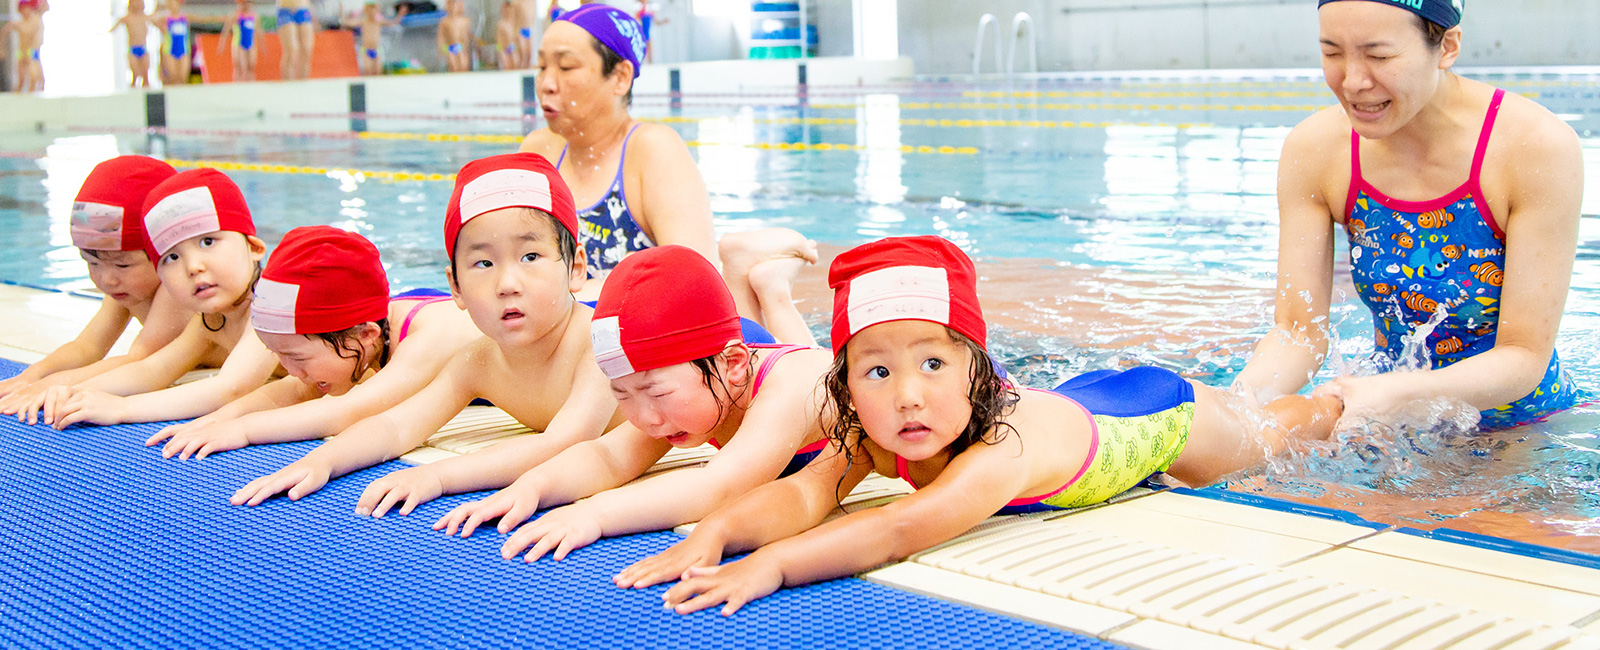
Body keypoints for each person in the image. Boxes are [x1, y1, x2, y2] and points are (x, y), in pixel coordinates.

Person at [614, 235, 1345, 615]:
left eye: (933, 365)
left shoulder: (999, 451)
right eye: (877, 371)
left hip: (1159, 418)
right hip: (1079, 400)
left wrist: (770, 564)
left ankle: (1339, 402)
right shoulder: (872, 429)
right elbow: (808, 495)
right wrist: (716, 535)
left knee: (1269, 438)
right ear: (844, 384)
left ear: (973, 368)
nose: (906, 397)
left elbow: (898, 529)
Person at [1232, 0, 1584, 431]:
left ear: (1448, 46)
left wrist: (1401, 392)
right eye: (1332, 53)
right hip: (1385, 416)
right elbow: (1299, 332)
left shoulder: (1534, 148)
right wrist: (1238, 406)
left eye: (1379, 56)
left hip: (1525, 429)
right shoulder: (1316, 149)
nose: (1353, 81)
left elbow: (1524, 355)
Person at [229, 153, 623, 509]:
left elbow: (563, 442)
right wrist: (323, 461)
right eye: (483, 263)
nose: (507, 283)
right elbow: (397, 426)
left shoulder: (599, 348)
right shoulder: (479, 361)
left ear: (575, 269)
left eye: (530, 256)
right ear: (455, 288)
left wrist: (438, 476)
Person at [425, 244, 833, 564]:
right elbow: (608, 457)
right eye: (622, 395)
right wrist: (532, 487)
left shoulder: (791, 390)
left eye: (655, 393)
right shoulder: (682, 393)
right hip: (726, 356)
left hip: (806, 375)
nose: (645, 419)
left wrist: (595, 515)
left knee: (819, 360)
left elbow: (718, 486)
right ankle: (764, 284)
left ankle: (773, 290)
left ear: (734, 364)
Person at [519, 3, 818, 346]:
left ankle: (762, 287)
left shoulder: (651, 149)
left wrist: (560, 292)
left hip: (652, 331)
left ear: (620, 77)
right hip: (575, 328)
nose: (546, 84)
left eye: (567, 66)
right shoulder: (539, 150)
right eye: (542, 66)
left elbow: (692, 279)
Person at [145, 225, 480, 461]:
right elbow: (294, 390)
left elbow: (351, 410)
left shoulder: (434, 337)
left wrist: (243, 430)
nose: (292, 372)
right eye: (277, 355)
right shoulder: (356, 337)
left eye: (297, 358)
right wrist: (221, 418)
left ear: (366, 335)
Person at [41, 169, 280, 431]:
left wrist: (122, 409)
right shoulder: (211, 319)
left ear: (255, 247)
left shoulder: (273, 302)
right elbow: (153, 370)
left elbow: (230, 388)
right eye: (172, 258)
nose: (193, 266)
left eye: (208, 241)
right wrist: (71, 390)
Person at [0, 157, 190, 423]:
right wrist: (32, 376)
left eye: (123, 265)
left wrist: (58, 385)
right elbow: (87, 347)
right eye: (92, 262)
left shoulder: (178, 289)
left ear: (168, 253)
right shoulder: (125, 289)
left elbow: (140, 360)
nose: (106, 279)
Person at [346, 1, 406, 76]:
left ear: (376, 11)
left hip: (377, 50)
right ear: (367, 12)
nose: (372, 13)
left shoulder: (378, 22)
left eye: (374, 10)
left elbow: (394, 22)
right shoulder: (363, 21)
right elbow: (348, 23)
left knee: (378, 72)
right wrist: (343, 13)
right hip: (366, 50)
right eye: (370, 10)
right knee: (367, 72)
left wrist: (400, 14)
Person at [109, 0, 155, 88]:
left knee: (145, 76)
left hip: (143, 48)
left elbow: (158, 21)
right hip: (133, 49)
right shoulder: (127, 18)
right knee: (136, 74)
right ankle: (132, 94)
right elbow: (113, 28)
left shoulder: (145, 17)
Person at [2, 0, 44, 93]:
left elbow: (36, 40)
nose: (27, 11)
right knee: (21, 78)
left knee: (35, 77)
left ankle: (33, 97)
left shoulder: (36, 21)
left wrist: (30, 54)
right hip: (21, 52)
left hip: (31, 52)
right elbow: (4, 32)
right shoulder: (18, 23)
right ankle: (18, 96)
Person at [149, 0, 191, 85]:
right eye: (170, 4)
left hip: (183, 50)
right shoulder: (166, 18)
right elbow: (151, 18)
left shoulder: (185, 17)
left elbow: (202, 19)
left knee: (182, 78)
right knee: (173, 77)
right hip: (170, 51)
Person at [217, 0, 258, 81]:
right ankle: (237, 87)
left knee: (251, 66)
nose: (246, 6)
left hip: (250, 43)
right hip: (238, 43)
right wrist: (221, 45)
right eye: (244, 3)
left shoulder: (254, 16)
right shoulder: (235, 15)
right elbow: (225, 31)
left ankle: (251, 86)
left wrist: (262, 45)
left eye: (248, 3)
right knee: (238, 66)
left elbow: (257, 32)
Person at [275, 0, 315, 80]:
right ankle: (287, 86)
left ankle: (303, 85)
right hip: (285, 10)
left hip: (303, 9)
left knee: (306, 50)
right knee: (291, 50)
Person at [436, 0, 472, 73]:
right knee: (453, 66)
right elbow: (440, 37)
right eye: (452, 5)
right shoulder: (444, 21)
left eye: (458, 4)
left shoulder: (465, 21)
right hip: (450, 48)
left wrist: (468, 49)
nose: (454, 7)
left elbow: (468, 37)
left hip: (461, 47)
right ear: (448, 6)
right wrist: (441, 50)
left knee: (463, 65)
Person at [495, 0, 517, 71]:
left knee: (515, 66)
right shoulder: (501, 24)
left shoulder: (515, 23)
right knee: (507, 67)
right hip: (505, 49)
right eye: (503, 8)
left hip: (513, 48)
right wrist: (501, 53)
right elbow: (498, 42)